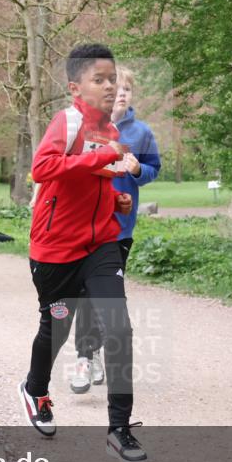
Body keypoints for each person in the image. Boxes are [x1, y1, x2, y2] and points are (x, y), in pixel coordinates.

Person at [18, 43, 144, 462]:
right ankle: (36, 389)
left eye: (113, 79)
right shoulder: (67, 121)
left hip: (100, 246)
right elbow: (43, 169)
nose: (110, 86)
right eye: (100, 80)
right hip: (55, 251)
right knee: (56, 328)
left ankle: (119, 430)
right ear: (76, 87)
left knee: (119, 328)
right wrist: (105, 158)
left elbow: (97, 181)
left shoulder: (111, 132)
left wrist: (116, 203)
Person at [70, 65, 163, 394]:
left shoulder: (141, 133)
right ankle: (85, 356)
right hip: (84, 227)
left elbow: (154, 169)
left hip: (119, 229)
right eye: (114, 88)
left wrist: (139, 169)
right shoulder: (85, 129)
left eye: (126, 89)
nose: (120, 93)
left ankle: (89, 352)